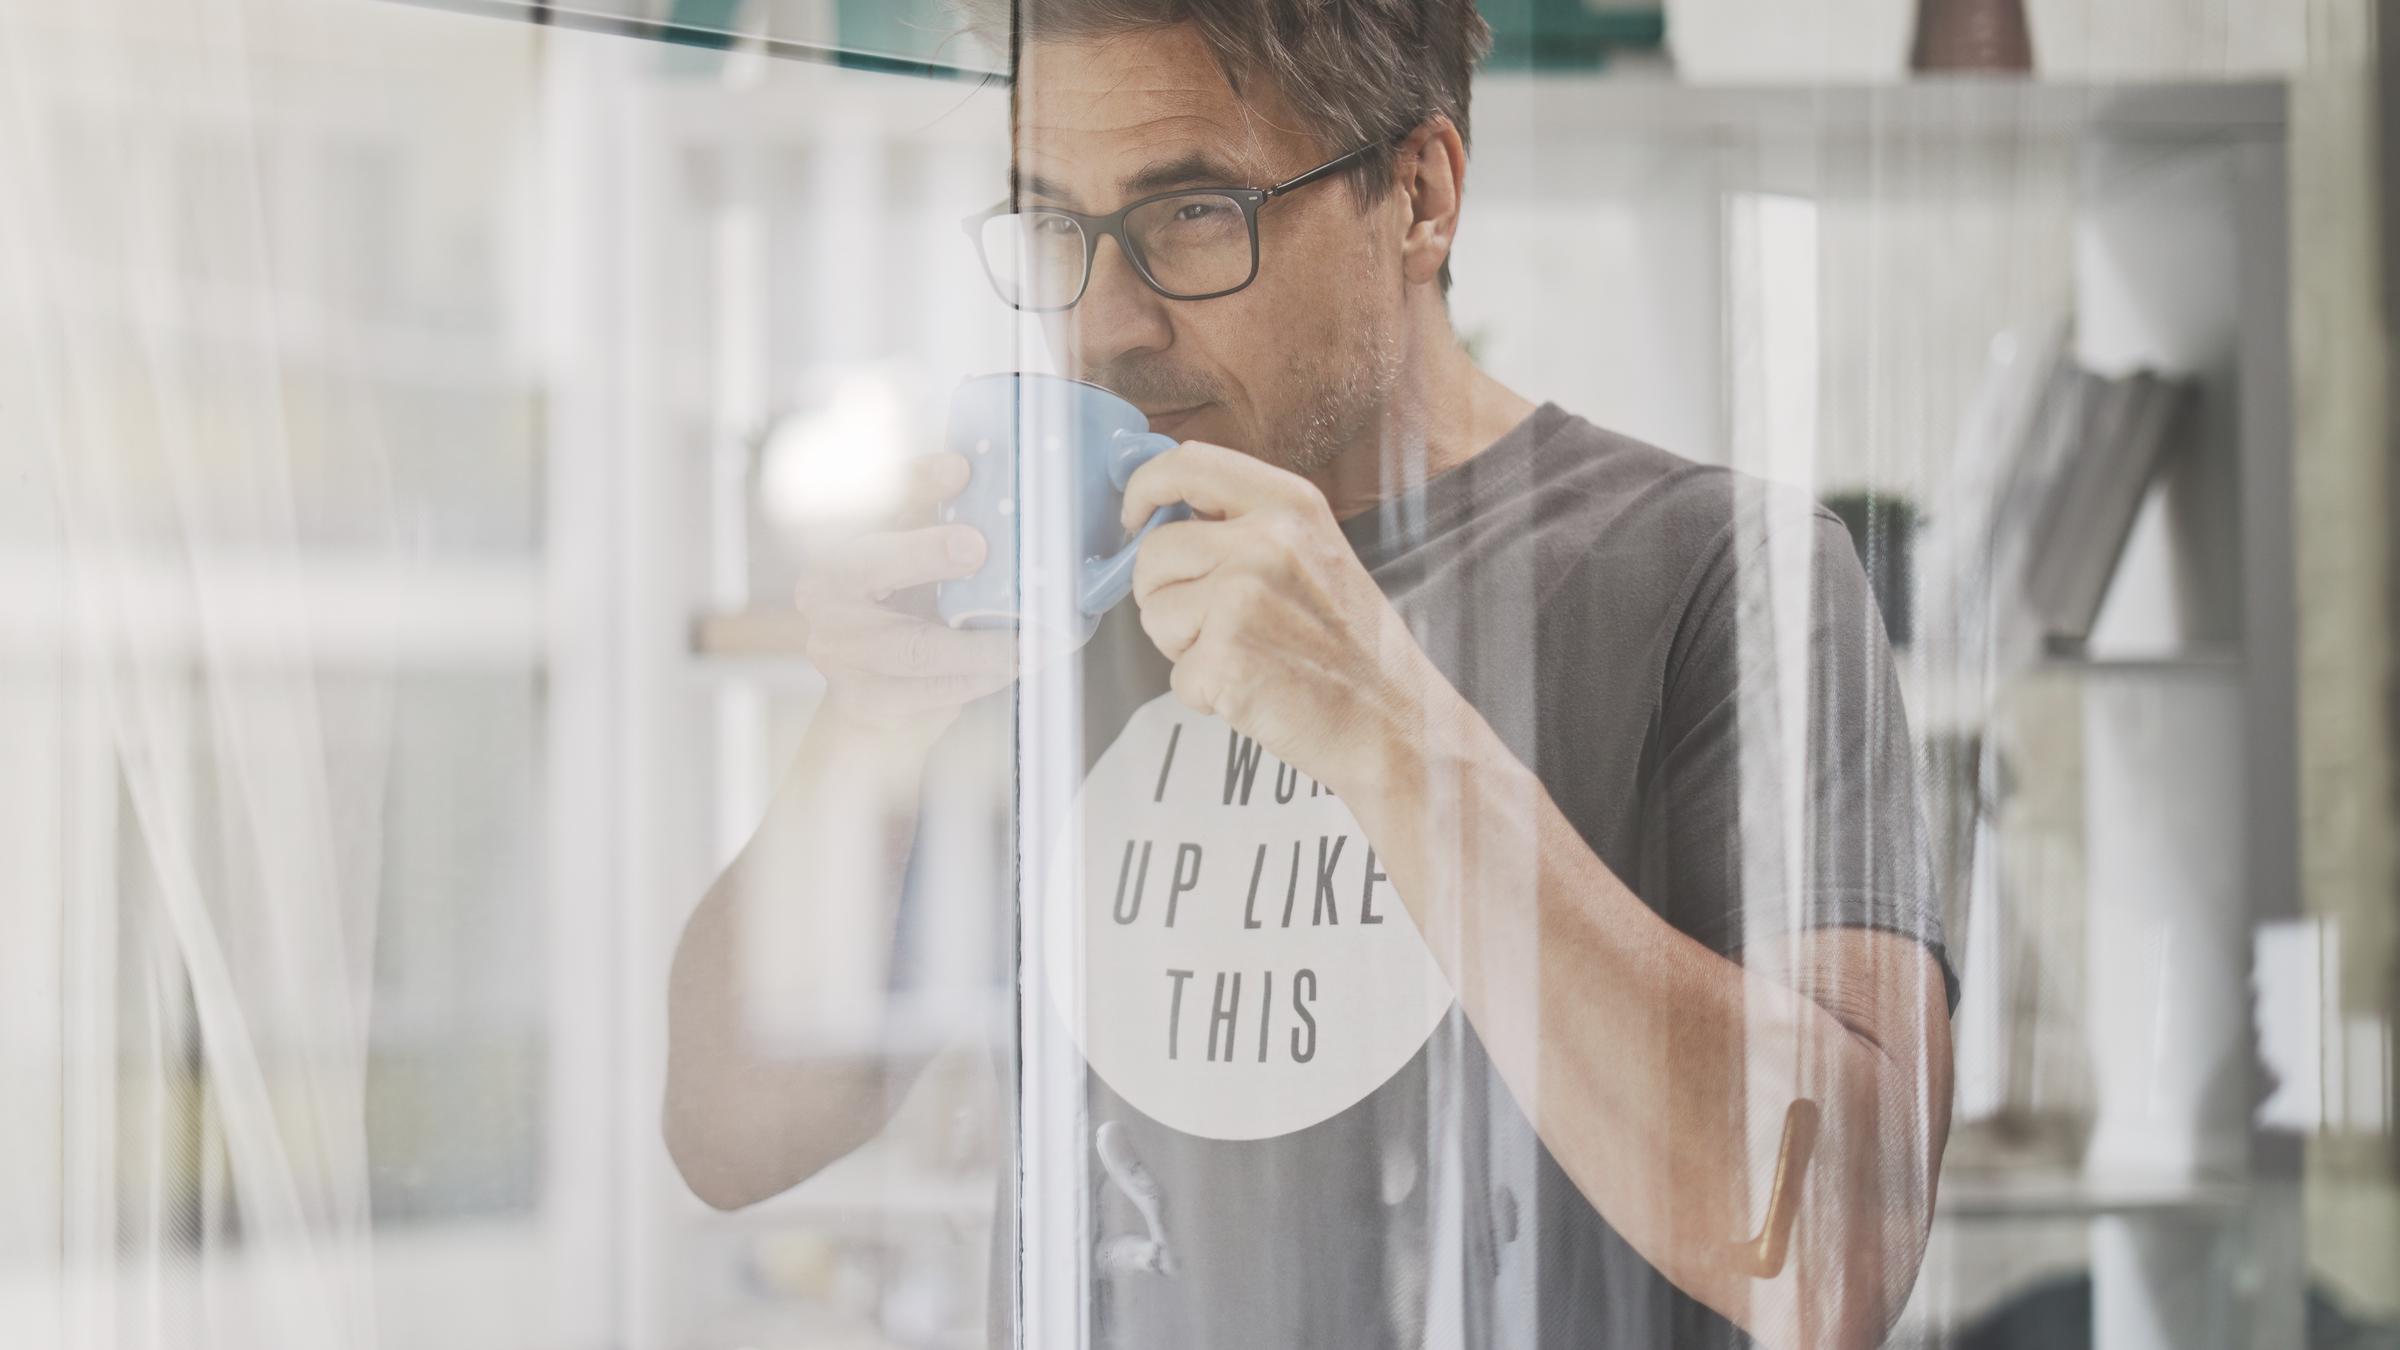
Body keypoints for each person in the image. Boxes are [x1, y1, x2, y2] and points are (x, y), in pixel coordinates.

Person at [665, 2, 1956, 1346]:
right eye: (1052, 222)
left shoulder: (1719, 570)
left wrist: (1394, 733)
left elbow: (1836, 1252)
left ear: (1421, 194)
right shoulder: (1060, 578)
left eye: (1194, 215)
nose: (1106, 322)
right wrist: (859, 733)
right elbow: (723, 1132)